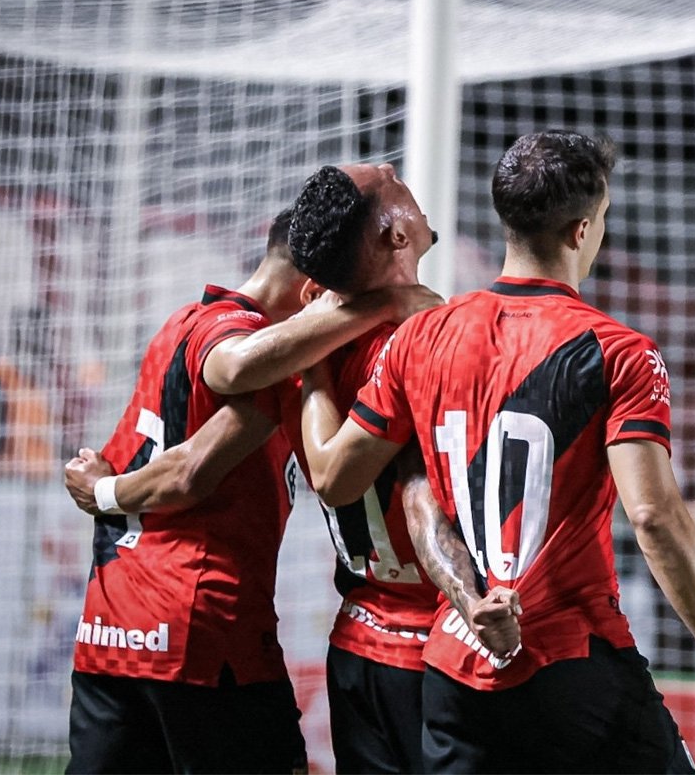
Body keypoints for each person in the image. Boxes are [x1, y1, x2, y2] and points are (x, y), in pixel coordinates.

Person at [300, 131, 695, 774]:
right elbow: (655, 517)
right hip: (571, 665)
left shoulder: (421, 336)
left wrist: (309, 359)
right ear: (583, 231)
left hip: (455, 664)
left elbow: (343, 476)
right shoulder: (619, 352)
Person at [62, 208, 435, 774]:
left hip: (110, 629)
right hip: (199, 628)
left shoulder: (183, 320)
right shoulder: (257, 349)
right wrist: (108, 492)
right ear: (314, 293)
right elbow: (192, 466)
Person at [282, 163, 519, 773]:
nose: (394, 167)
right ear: (394, 236)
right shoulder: (433, 342)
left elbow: (225, 370)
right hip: (443, 645)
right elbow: (411, 491)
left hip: (358, 642)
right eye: (387, 179)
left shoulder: (299, 345)